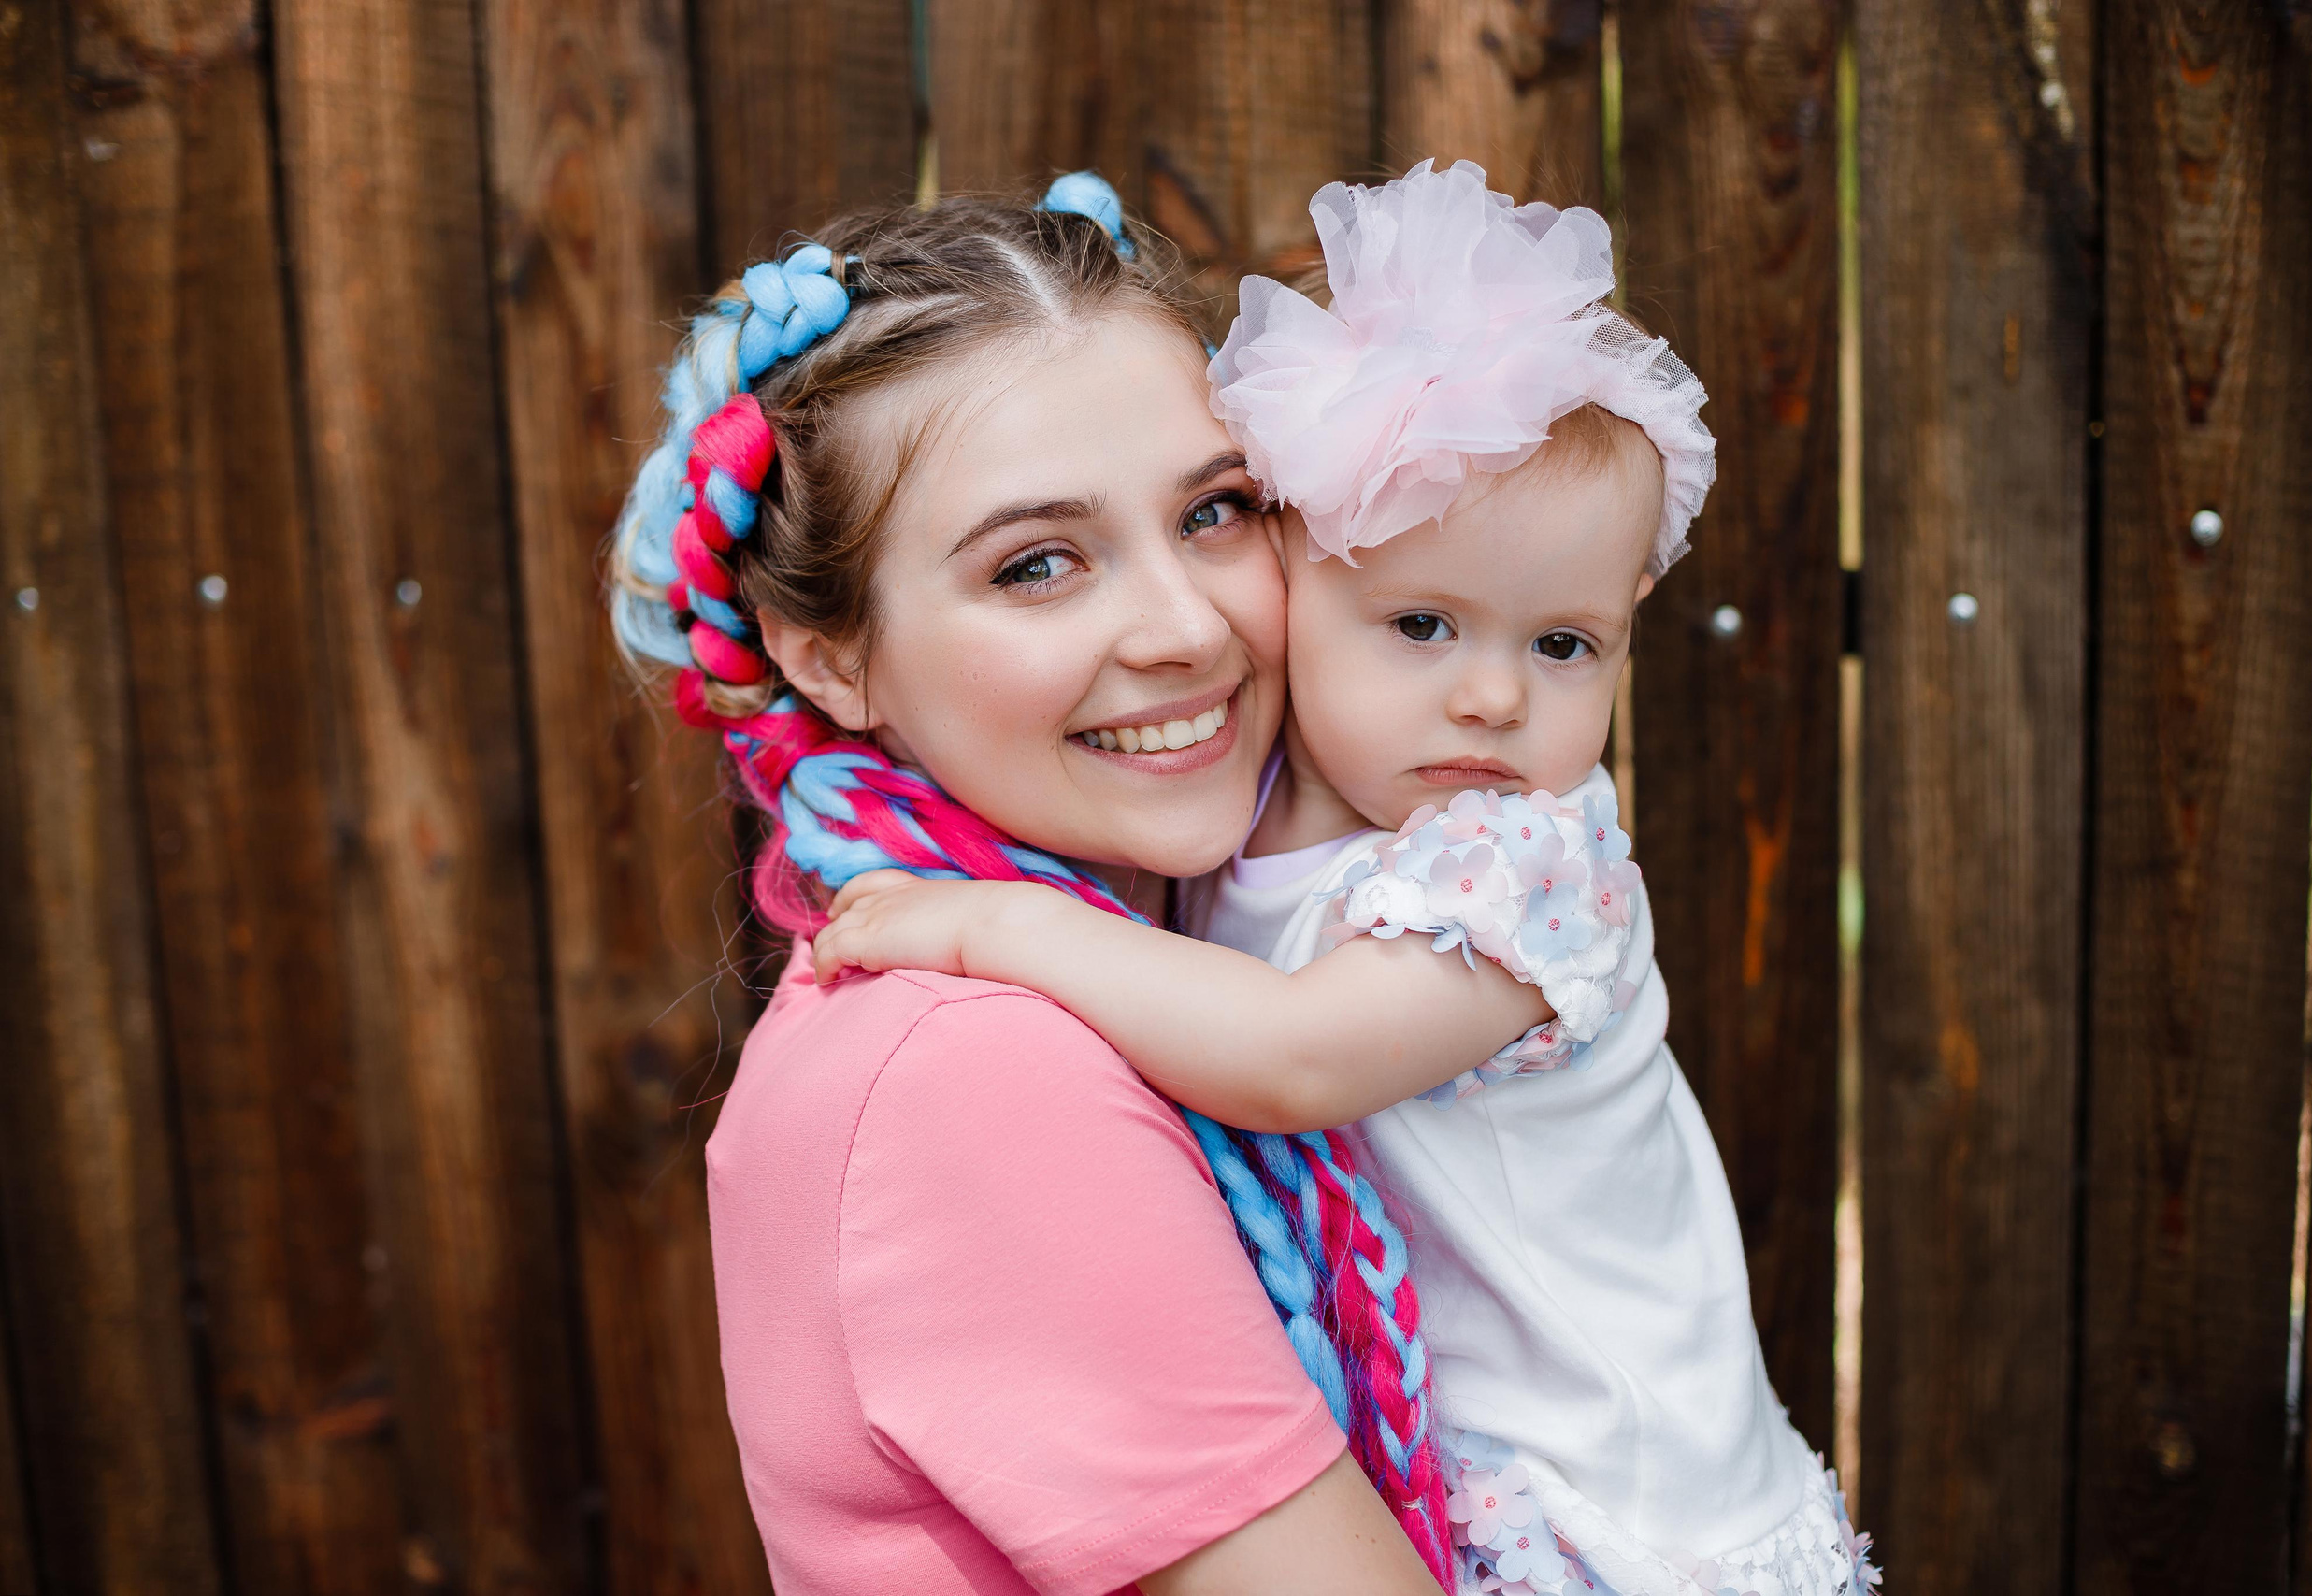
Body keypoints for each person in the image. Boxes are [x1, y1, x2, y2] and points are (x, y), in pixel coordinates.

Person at [814, 162, 1882, 1596]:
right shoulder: (1233, 827)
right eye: (1424, 623)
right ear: (1302, 565)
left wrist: (998, 925)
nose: (1495, 700)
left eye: (1564, 646)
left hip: (1626, 1518)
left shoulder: (1519, 864)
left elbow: (1297, 1059)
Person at [610, 178, 1453, 1593]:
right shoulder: (970, 1072)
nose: (1186, 627)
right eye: (1038, 564)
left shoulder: (1144, 963)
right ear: (829, 656)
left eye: (1215, 513)